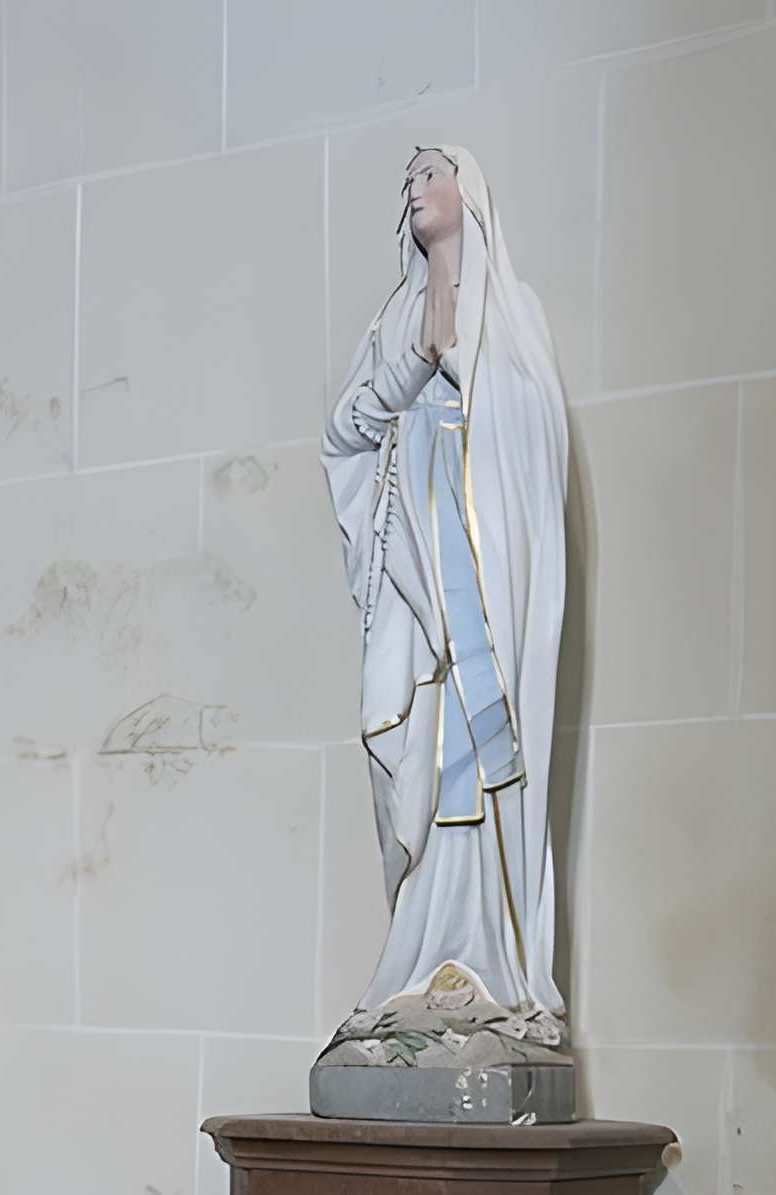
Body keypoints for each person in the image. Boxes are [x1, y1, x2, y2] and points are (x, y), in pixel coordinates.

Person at [322, 146, 570, 1055]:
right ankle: (421, 961)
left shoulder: (511, 311)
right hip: (412, 584)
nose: (414, 186)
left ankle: (495, 972)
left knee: (483, 751)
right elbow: (343, 433)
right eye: (408, 179)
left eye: (431, 172)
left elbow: (532, 440)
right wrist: (411, 367)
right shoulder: (392, 319)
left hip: (482, 579)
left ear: (470, 191)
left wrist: (455, 360)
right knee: (420, 761)